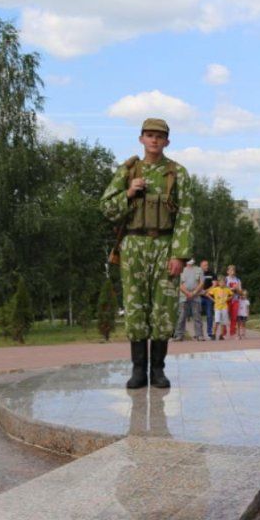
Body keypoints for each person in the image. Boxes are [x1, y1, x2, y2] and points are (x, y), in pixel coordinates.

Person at [100, 117, 193, 389]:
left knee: (163, 308)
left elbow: (186, 216)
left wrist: (179, 255)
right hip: (133, 246)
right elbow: (106, 208)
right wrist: (128, 192)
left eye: (159, 136)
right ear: (141, 138)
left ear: (167, 142)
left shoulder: (177, 173)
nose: (154, 140)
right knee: (136, 306)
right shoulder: (128, 170)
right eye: (149, 135)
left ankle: (159, 370)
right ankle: (138, 370)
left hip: (164, 246)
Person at [175, 259, 204, 341]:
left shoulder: (199, 269)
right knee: (181, 316)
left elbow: (201, 283)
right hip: (183, 296)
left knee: (197, 316)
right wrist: (187, 293)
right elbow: (179, 283)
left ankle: (199, 335)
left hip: (196, 296)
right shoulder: (181, 269)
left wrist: (194, 293)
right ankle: (179, 335)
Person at [222, 265, 241, 338]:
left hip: (235, 300)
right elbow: (223, 289)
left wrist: (237, 289)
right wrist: (232, 289)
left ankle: (232, 332)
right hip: (227, 300)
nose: (232, 272)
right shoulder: (225, 279)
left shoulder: (238, 280)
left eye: (233, 270)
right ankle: (223, 332)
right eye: (231, 270)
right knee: (225, 316)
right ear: (227, 272)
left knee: (234, 317)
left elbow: (240, 292)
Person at [199, 260, 216, 339]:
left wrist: (206, 291)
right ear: (201, 266)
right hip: (199, 296)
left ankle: (209, 333)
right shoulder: (198, 274)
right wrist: (200, 292)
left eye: (207, 265)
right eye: (205, 265)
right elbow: (195, 284)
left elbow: (214, 284)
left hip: (209, 297)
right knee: (197, 315)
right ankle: (199, 333)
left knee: (209, 315)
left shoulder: (212, 273)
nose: (206, 266)